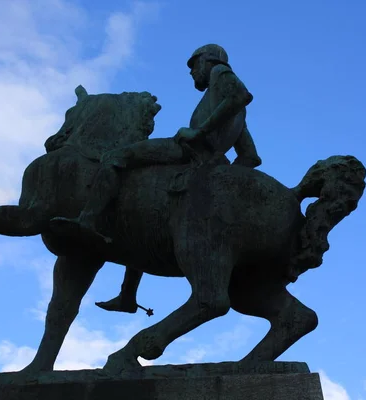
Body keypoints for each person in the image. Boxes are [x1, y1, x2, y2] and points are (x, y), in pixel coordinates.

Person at [51, 44, 264, 314]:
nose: (192, 73)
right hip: (201, 161)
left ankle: (88, 220)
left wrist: (199, 134)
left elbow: (240, 95)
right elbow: (250, 157)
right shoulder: (234, 113)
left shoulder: (220, 74)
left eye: (193, 65)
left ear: (207, 60)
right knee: (141, 204)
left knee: (116, 157)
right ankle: (127, 295)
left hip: (188, 150)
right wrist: (217, 176)